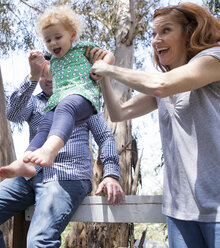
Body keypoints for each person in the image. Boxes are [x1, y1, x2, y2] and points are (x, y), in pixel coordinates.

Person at [87, 2, 220, 247]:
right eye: (153, 34)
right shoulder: (164, 84)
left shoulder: (213, 59)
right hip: (179, 211)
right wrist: (103, 77)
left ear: (190, 33)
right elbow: (119, 112)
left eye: (166, 31)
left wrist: (109, 68)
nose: (156, 40)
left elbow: (162, 84)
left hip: (217, 210)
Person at [0, 50, 125, 248]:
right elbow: (13, 113)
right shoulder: (35, 103)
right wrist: (32, 76)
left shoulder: (82, 101)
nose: (48, 79)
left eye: (53, 73)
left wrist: (110, 174)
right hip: (29, 176)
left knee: (38, 242)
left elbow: (104, 136)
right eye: (43, 74)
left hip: (67, 176)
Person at [0, 5, 114, 178]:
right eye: (48, 40)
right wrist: (35, 68)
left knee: (65, 107)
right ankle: (25, 162)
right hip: (58, 102)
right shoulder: (54, 64)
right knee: (45, 126)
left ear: (72, 35)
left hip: (81, 97)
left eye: (58, 37)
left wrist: (102, 68)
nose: (53, 43)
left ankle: (50, 151)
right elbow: (14, 112)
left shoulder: (82, 50)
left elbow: (108, 56)